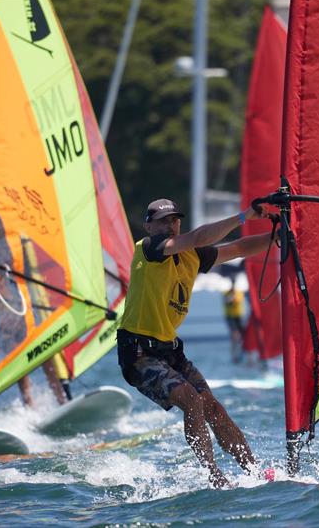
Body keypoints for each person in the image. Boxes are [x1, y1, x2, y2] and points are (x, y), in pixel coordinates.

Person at [117, 198, 275, 488]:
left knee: (212, 406)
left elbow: (239, 249)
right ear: (148, 226)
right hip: (138, 353)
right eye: (163, 221)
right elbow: (200, 236)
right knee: (191, 400)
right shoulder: (149, 248)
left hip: (169, 350)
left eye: (174, 220)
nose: (170, 225)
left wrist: (279, 236)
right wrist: (244, 216)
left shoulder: (192, 255)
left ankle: (255, 472)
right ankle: (214, 476)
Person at [223, 279, 245, 364]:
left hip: (238, 316)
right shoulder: (226, 293)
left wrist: (233, 298)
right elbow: (227, 301)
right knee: (235, 335)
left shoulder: (238, 293)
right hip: (230, 316)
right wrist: (231, 298)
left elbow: (237, 300)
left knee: (241, 336)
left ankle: (240, 354)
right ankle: (234, 356)